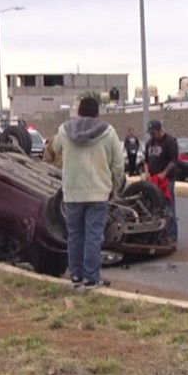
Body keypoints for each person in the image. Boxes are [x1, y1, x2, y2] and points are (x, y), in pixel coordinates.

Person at [52, 96, 123, 288]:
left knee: (74, 235)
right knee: (93, 236)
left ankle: (76, 276)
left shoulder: (64, 130)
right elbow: (118, 165)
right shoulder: (108, 132)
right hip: (99, 193)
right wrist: (113, 187)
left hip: (72, 192)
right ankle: (92, 278)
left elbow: (55, 148)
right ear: (98, 113)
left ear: (78, 112)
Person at [143, 120, 179, 242]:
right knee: (154, 206)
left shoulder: (170, 142)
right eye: (150, 133)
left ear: (159, 130)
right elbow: (146, 160)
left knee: (168, 206)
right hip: (153, 180)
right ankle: (159, 234)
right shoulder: (150, 143)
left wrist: (164, 173)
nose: (152, 135)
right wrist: (147, 172)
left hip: (166, 179)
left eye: (154, 133)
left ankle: (172, 234)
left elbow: (174, 161)